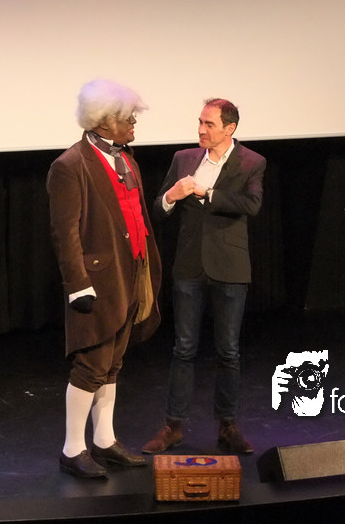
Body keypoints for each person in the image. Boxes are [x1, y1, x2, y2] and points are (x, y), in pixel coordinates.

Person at [47, 79, 161, 479]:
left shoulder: (127, 160)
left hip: (132, 272)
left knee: (113, 363)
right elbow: (65, 233)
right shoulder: (70, 166)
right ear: (103, 122)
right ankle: (72, 448)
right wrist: (77, 284)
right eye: (128, 118)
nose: (134, 123)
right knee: (91, 365)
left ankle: (104, 440)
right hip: (98, 280)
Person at [142, 98, 265, 455]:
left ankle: (228, 425)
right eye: (200, 122)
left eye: (209, 124)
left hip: (229, 266)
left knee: (228, 350)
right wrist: (172, 195)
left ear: (229, 129)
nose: (201, 129)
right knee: (183, 348)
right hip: (189, 265)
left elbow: (252, 205)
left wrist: (206, 193)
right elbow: (159, 209)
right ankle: (173, 426)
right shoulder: (183, 159)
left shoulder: (252, 162)